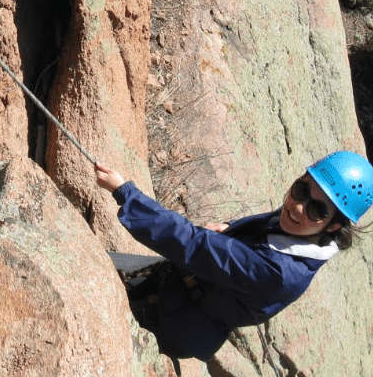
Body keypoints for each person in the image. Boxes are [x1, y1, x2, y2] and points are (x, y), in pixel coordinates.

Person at [95, 150, 373, 365]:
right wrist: (230, 228)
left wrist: (126, 194)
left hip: (173, 320)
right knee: (101, 267)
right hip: (179, 282)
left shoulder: (278, 273)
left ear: (333, 225)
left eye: (316, 210)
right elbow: (260, 230)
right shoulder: (303, 231)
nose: (298, 207)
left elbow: (193, 245)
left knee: (95, 309)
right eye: (301, 190)